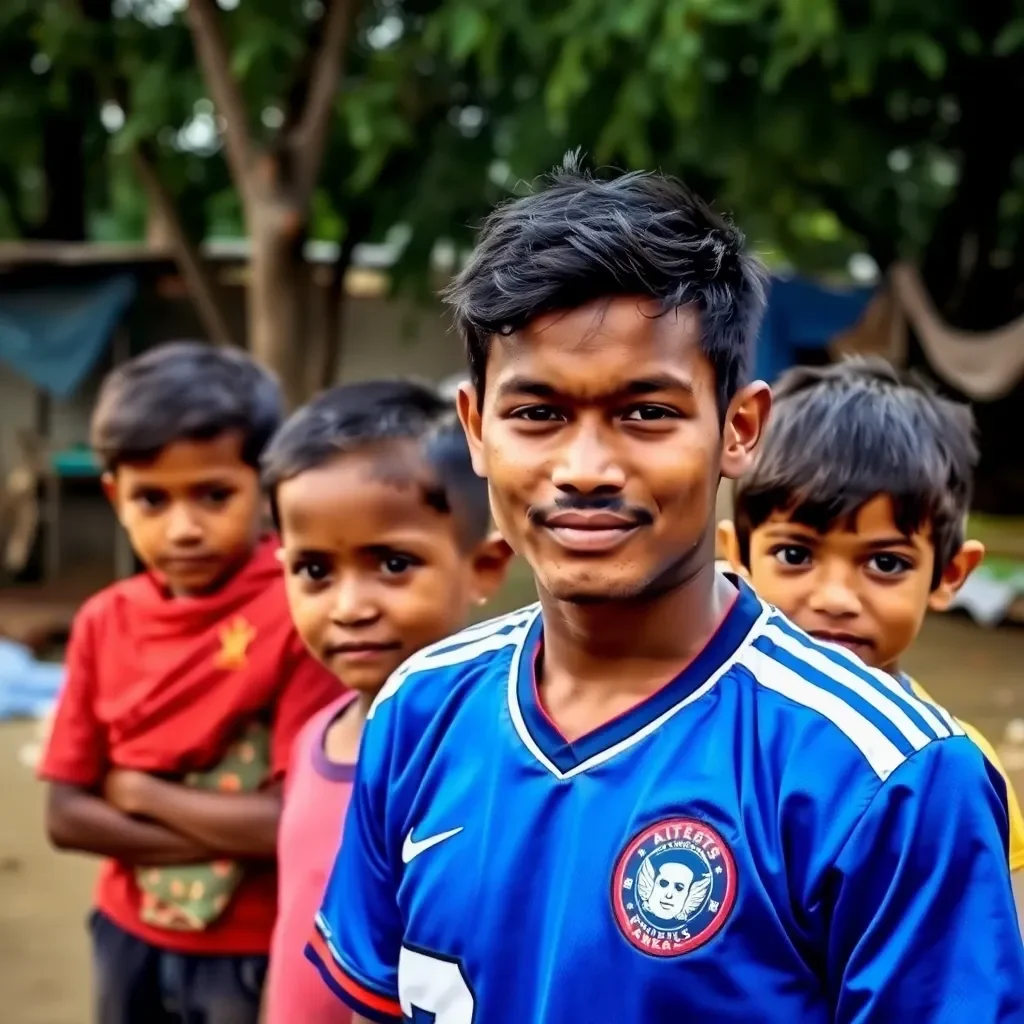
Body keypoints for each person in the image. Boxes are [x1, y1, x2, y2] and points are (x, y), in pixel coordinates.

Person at [306, 157, 1024, 1023]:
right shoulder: (417, 712)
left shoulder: (891, 778)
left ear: (739, 428)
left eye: (646, 412)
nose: (586, 470)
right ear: (477, 429)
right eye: (538, 414)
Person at [40, 342, 340, 1024]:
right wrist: (223, 825)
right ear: (115, 496)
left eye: (213, 495)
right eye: (152, 498)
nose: (183, 528)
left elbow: (289, 825)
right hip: (127, 930)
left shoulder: (299, 610)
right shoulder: (102, 622)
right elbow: (65, 817)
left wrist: (139, 791)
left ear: (265, 488)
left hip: (253, 941)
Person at [717, 357, 1024, 924]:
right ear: (737, 556)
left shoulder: (953, 770)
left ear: (950, 574)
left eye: (885, 562)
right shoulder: (690, 731)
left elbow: (988, 953)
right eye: (795, 554)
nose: (836, 596)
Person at [260, 378, 512, 1024]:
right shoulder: (316, 734)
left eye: (394, 564)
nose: (350, 607)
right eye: (315, 570)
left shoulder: (491, 763)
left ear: (483, 567)